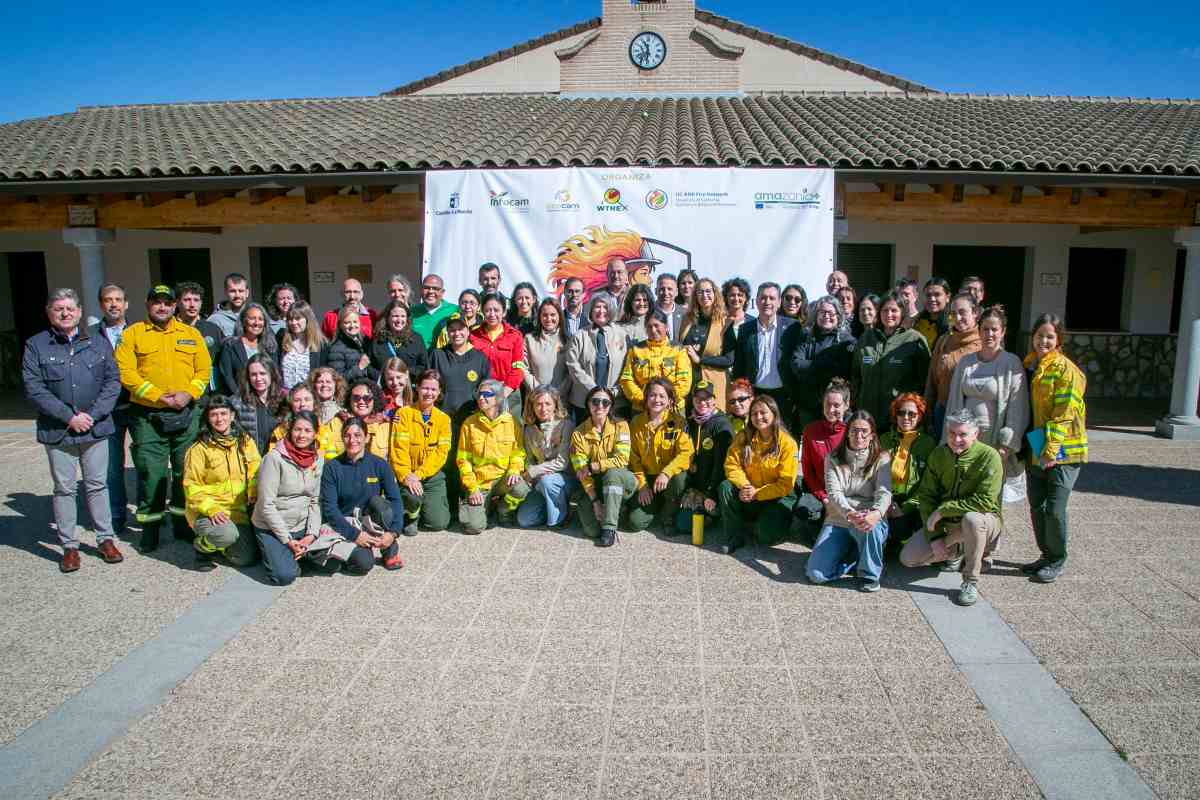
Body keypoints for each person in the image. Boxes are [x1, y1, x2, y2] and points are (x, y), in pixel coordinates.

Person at [24, 288, 123, 572]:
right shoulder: (36, 345)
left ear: (80, 311)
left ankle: (105, 538)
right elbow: (34, 388)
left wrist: (91, 415)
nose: (65, 313)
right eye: (59, 309)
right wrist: (69, 417)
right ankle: (69, 546)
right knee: (64, 488)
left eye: (70, 308)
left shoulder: (98, 342)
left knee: (97, 484)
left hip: (95, 426)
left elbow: (112, 382)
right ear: (49, 313)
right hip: (59, 430)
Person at [115, 284, 212, 552]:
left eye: (168, 303)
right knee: (152, 473)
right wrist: (158, 396)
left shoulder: (190, 334)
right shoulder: (132, 334)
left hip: (185, 413)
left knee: (186, 472)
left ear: (174, 306)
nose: (163, 307)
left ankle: (183, 524)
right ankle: (150, 528)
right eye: (157, 302)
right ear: (147, 304)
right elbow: (126, 372)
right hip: (148, 416)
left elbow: (203, 371)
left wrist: (188, 394)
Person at [902, 409, 1003, 607]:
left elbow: (983, 501)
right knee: (908, 559)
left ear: (976, 434)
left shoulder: (989, 457)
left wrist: (942, 511)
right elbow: (927, 496)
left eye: (963, 434)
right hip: (948, 525)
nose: (956, 439)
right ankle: (957, 550)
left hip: (984, 519)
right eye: (952, 433)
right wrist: (936, 537)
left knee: (972, 520)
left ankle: (970, 581)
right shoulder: (939, 454)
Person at [1022, 313, 1087, 584]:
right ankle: (1046, 554)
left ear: (1059, 339)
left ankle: (1057, 558)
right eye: (1040, 335)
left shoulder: (1065, 369)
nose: (1044, 341)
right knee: (1037, 505)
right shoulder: (1030, 364)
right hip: (1037, 440)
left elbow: (1064, 412)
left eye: (1050, 336)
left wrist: (1052, 449)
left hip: (1063, 447)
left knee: (1054, 508)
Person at [945, 304, 1028, 503]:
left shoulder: (1012, 362)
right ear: (979, 330)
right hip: (966, 440)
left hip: (994, 441)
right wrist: (951, 439)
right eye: (985, 329)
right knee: (964, 492)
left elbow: (1018, 407)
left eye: (994, 329)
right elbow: (954, 403)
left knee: (990, 496)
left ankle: (991, 534)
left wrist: (1006, 445)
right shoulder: (966, 362)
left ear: (1003, 332)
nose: (989, 334)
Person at [806, 410, 891, 592]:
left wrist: (876, 513)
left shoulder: (882, 458)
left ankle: (869, 574)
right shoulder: (833, 458)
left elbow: (884, 492)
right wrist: (849, 513)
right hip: (840, 517)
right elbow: (834, 493)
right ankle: (853, 559)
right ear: (847, 432)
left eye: (864, 431)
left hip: (869, 518)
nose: (858, 436)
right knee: (816, 575)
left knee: (870, 528)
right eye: (853, 430)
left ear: (872, 435)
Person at [181, 395, 261, 570]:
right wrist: (211, 509)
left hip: (237, 511)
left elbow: (256, 469)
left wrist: (253, 492)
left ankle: (221, 544)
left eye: (223, 413)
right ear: (208, 419)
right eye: (214, 415)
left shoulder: (245, 441)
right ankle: (202, 549)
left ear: (232, 415)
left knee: (246, 558)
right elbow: (191, 486)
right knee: (226, 535)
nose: (219, 419)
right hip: (209, 512)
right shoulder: (199, 449)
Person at [320, 417, 404, 573]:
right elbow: (329, 509)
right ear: (342, 438)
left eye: (358, 435)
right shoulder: (332, 468)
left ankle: (389, 549)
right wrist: (355, 535)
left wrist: (393, 532)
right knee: (364, 564)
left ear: (366, 438)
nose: (352, 440)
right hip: (345, 524)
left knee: (380, 504)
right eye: (347, 435)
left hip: (372, 520)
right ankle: (351, 553)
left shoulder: (380, 464)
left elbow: (395, 500)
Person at [717, 394, 799, 555]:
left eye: (763, 412)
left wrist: (758, 494)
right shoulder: (743, 436)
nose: (758, 417)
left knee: (765, 536)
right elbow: (731, 465)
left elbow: (785, 485)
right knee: (725, 487)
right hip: (750, 491)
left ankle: (767, 526)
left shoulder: (788, 443)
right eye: (754, 413)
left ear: (774, 414)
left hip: (777, 497)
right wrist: (745, 485)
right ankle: (735, 535)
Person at [252, 410, 325, 585]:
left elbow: (315, 500)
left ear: (315, 433)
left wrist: (311, 535)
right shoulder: (274, 459)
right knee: (284, 576)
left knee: (330, 562)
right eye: (297, 429)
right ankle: (280, 553)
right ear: (289, 431)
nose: (302, 435)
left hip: (301, 524)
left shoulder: (318, 460)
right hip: (273, 526)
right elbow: (266, 505)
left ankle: (294, 554)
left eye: (308, 431)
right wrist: (288, 540)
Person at [456, 379, 530, 534]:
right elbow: (463, 461)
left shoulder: (511, 422)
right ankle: (484, 506)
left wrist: (514, 471)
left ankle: (504, 511)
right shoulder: (469, 424)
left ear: (498, 398)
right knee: (473, 527)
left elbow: (518, 453)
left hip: (503, 480)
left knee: (521, 488)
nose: (481, 398)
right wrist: (472, 488)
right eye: (479, 394)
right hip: (479, 483)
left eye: (486, 394)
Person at [851, 291, 931, 432]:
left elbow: (925, 381)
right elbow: (856, 377)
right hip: (868, 418)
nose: (889, 315)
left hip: (899, 418)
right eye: (885, 310)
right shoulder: (866, 338)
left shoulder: (914, 339)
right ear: (879, 312)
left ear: (902, 312)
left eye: (894, 310)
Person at [625, 377, 694, 532]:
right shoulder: (636, 423)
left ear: (670, 400)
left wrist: (666, 473)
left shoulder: (679, 423)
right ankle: (654, 505)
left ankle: (667, 515)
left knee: (680, 478)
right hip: (647, 478)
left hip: (668, 479)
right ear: (646, 398)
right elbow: (633, 458)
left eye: (662, 396)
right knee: (635, 523)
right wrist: (642, 486)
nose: (657, 400)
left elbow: (685, 454)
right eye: (652, 395)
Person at [89, 283, 132, 532]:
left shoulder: (139, 331)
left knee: (146, 464)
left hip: (138, 407)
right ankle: (116, 516)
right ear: (101, 305)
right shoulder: (90, 336)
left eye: (118, 299)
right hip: (107, 411)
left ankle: (151, 514)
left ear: (126, 304)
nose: (114, 304)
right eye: (108, 300)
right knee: (112, 467)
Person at [570, 385, 635, 546]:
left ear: (610, 406)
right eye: (595, 401)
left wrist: (594, 466)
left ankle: (609, 528)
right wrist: (595, 502)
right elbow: (581, 471)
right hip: (595, 486)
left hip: (620, 480)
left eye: (605, 403)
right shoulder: (578, 433)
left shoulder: (621, 426)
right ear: (588, 404)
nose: (600, 406)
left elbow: (621, 460)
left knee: (612, 474)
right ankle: (608, 510)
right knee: (591, 531)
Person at [390, 369, 452, 535]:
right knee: (411, 498)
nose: (428, 393)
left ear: (439, 392)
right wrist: (407, 476)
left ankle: (423, 506)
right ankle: (412, 515)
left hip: (431, 476)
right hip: (407, 475)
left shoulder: (443, 420)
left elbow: (441, 453)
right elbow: (398, 450)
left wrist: (420, 474)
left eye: (433, 389)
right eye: (425, 388)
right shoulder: (403, 414)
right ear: (417, 388)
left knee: (438, 523)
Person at [783, 295, 855, 431]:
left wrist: (811, 368)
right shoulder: (807, 337)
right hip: (808, 406)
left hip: (835, 406)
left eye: (831, 313)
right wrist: (825, 364)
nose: (826, 316)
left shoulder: (846, 341)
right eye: (822, 312)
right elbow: (796, 364)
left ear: (838, 316)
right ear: (816, 315)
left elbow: (842, 370)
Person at [879, 393, 937, 558]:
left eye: (912, 414)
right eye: (901, 412)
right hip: (886, 499)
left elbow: (928, 484)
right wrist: (884, 502)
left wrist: (905, 508)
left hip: (912, 504)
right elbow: (873, 477)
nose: (906, 417)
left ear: (920, 416)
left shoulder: (928, 444)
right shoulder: (883, 439)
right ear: (895, 415)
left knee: (901, 534)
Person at [674, 380, 733, 536]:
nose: (702, 402)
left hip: (712, 488)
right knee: (682, 524)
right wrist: (690, 490)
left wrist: (709, 494)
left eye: (707, 398)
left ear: (714, 399)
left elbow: (721, 465)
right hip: (696, 485)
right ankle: (696, 507)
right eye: (698, 398)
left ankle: (716, 512)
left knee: (688, 525)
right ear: (692, 400)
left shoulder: (721, 425)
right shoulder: (690, 421)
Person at [729, 282, 795, 421]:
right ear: (757, 301)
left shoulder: (792, 327)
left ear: (779, 303)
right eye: (763, 298)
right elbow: (739, 365)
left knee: (783, 437)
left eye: (772, 298)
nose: (767, 302)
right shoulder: (745, 329)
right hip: (755, 393)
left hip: (784, 395)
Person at [516, 385, 577, 528]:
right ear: (532, 406)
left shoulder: (566, 425)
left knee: (548, 482)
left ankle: (560, 518)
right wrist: (533, 472)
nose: (543, 409)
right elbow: (529, 459)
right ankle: (550, 506)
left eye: (547, 404)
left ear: (555, 405)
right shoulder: (529, 429)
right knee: (524, 520)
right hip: (540, 480)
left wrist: (535, 471)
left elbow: (562, 462)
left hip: (564, 479)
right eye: (538, 404)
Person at [925, 292, 982, 438]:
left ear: (975, 312)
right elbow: (932, 379)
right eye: (953, 313)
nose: (957, 318)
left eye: (962, 312)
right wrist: (928, 412)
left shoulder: (983, 344)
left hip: (970, 416)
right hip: (942, 412)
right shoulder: (944, 341)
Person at [566, 296, 627, 423]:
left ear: (611, 310)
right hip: (584, 402)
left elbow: (628, 365)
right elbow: (573, 365)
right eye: (597, 307)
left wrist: (615, 391)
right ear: (590, 310)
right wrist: (595, 391)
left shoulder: (622, 334)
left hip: (615, 401)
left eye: (605, 307)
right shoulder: (580, 335)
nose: (601, 310)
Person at [619, 310, 692, 416]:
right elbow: (626, 379)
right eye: (649, 327)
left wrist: (668, 399)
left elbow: (684, 381)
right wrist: (644, 400)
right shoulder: (635, 350)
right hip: (642, 409)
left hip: (672, 408)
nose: (653, 330)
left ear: (666, 327)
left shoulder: (678, 350)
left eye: (656, 325)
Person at [798, 378, 850, 526]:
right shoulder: (810, 430)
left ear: (846, 405)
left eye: (836, 405)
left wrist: (839, 501)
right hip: (821, 492)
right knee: (805, 510)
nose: (831, 409)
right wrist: (824, 497)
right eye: (827, 404)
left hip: (847, 495)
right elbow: (807, 470)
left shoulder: (853, 432)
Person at [470, 293, 527, 415]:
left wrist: (503, 393)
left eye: (496, 310)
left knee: (510, 431)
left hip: (508, 392)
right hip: (481, 394)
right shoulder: (473, 336)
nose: (492, 314)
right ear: (482, 312)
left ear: (504, 312)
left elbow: (518, 368)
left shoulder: (515, 336)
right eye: (488, 310)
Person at [679, 277, 732, 407]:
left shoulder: (725, 321)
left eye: (708, 291)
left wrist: (700, 359)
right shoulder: (687, 319)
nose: (705, 295)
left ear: (715, 294)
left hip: (714, 381)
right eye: (700, 292)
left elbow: (729, 360)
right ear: (695, 296)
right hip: (688, 380)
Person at [228, 354, 284, 457]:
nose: (258, 378)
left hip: (278, 462)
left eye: (263, 373)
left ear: (271, 374)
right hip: (250, 462)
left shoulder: (283, 401)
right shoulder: (237, 402)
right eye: (253, 374)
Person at [217, 302, 275, 395]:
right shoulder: (230, 345)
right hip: (239, 398)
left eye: (260, 319)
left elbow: (274, 374)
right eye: (252, 318)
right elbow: (227, 376)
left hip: (266, 398)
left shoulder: (270, 345)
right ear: (244, 321)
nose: (256, 323)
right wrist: (240, 397)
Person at [175, 282, 224, 388]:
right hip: (180, 391)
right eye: (187, 300)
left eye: (196, 300)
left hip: (208, 393)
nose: (192, 304)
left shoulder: (213, 329)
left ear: (201, 303)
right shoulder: (169, 329)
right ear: (177, 302)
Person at [523, 297, 571, 400]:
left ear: (559, 316)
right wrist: (539, 392)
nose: (549, 319)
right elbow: (524, 369)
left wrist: (556, 394)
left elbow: (571, 373)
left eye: (553, 315)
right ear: (539, 317)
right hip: (536, 399)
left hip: (560, 399)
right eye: (544, 315)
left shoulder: (568, 341)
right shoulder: (529, 339)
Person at [275, 301, 326, 390]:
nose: (294, 322)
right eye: (290, 319)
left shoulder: (320, 344)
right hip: (285, 396)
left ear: (308, 319)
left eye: (298, 318)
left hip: (309, 396)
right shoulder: (281, 338)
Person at [323, 304, 379, 383]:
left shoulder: (367, 342)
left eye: (355, 322)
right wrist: (359, 368)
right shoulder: (336, 349)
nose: (352, 325)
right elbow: (338, 380)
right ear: (340, 325)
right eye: (347, 323)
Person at [371, 299, 427, 374]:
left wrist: (404, 373)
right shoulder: (378, 339)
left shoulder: (416, 339)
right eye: (395, 316)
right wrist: (384, 377)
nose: (399, 320)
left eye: (403, 316)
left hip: (410, 383)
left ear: (407, 319)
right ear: (387, 318)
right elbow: (370, 367)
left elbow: (424, 367)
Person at [343, 377, 391, 459]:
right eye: (356, 398)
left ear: (374, 400)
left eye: (367, 398)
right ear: (349, 400)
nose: (361, 401)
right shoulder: (339, 423)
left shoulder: (386, 427)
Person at [411, 273, 459, 347]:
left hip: (444, 357)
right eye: (426, 287)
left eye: (435, 288)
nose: (430, 291)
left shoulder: (455, 310)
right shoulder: (411, 312)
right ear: (421, 289)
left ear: (442, 292)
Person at [309, 366, 347, 459]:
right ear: (314, 385)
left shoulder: (344, 414)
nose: (324, 385)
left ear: (336, 385)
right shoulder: (309, 411)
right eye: (320, 382)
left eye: (328, 382)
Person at [207, 272, 249, 338]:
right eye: (232, 291)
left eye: (241, 291)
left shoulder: (258, 317)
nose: (237, 295)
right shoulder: (215, 321)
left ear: (247, 293)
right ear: (226, 292)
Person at [913, 277, 951, 351]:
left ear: (948, 297)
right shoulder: (917, 322)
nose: (932, 299)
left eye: (937, 294)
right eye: (928, 295)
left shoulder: (953, 323)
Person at [654, 273, 685, 342]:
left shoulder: (685, 314)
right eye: (662, 289)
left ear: (676, 292)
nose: (666, 293)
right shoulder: (648, 313)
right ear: (656, 291)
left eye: (670, 289)